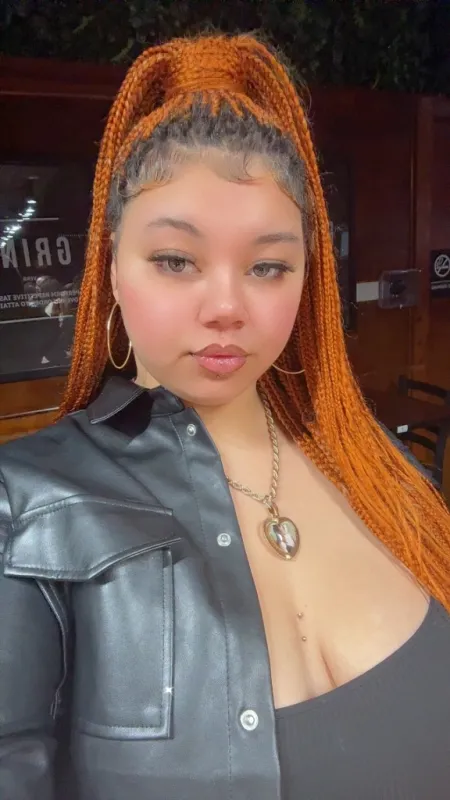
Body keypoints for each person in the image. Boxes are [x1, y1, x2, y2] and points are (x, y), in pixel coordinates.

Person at [0, 33, 449, 800]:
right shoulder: (24, 511)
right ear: (112, 267)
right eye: (176, 260)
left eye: (268, 266)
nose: (227, 308)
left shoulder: (378, 472)